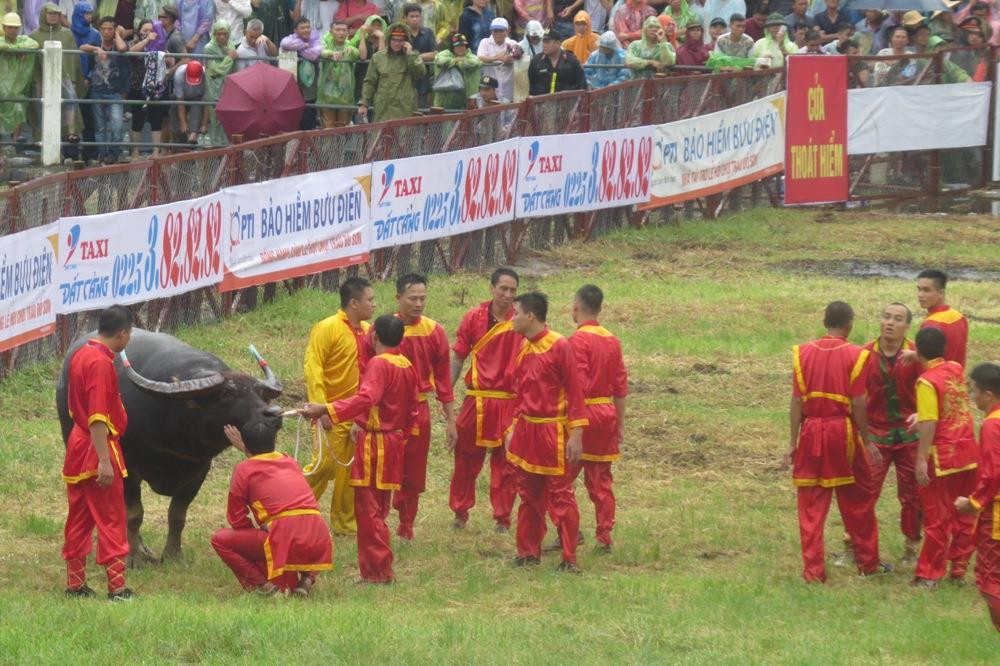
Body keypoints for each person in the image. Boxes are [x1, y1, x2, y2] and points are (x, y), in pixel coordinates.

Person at [301, 315, 420, 585]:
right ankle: (378, 568)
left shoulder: (379, 364)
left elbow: (367, 398)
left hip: (375, 446)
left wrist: (327, 408)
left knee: (368, 510)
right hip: (392, 443)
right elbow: (414, 408)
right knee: (378, 506)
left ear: (374, 335)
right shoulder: (406, 364)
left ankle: (378, 572)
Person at [784, 301, 889, 582]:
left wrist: (792, 442)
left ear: (824, 321)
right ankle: (868, 564)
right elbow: (858, 402)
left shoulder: (802, 353)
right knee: (858, 500)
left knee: (810, 507)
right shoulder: (857, 355)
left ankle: (813, 573)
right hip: (843, 434)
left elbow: (796, 402)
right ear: (849, 324)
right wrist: (867, 441)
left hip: (810, 433)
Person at [504, 292, 587, 572]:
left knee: (561, 494)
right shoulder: (524, 347)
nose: (512, 318)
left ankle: (568, 557)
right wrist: (513, 427)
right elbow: (520, 393)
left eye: (516, 313)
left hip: (553, 430)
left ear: (530, 316)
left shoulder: (559, 345)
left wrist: (576, 434)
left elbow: (576, 392)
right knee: (528, 493)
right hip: (527, 430)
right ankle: (528, 552)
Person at [546, 285, 627, 553]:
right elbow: (620, 386)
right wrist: (620, 425)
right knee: (601, 480)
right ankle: (604, 537)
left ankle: (567, 529)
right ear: (600, 308)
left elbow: (575, 386)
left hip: (582, 416)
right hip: (607, 415)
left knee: (557, 478)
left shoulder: (577, 341)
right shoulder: (612, 340)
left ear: (576, 307)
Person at [211, 419, 333, 596]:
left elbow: (236, 519)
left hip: (282, 536)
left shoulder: (243, 469)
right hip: (319, 534)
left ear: (245, 445)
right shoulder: (290, 461)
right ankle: (306, 580)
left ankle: (265, 587)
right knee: (311, 533)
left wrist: (257, 545)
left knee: (219, 539)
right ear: (274, 441)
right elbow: (262, 461)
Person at [61, 305, 134, 601]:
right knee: (112, 518)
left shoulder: (80, 355)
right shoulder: (102, 364)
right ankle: (117, 589)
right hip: (96, 449)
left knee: (79, 517)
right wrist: (104, 460)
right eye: (129, 335)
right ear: (122, 333)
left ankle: (75, 585)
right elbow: (97, 417)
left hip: (78, 446)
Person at [377, 274, 456, 541]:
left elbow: (444, 378)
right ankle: (379, 522)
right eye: (413, 298)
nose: (419, 304)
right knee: (383, 468)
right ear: (398, 298)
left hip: (419, 411)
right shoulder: (383, 329)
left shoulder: (435, 331)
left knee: (413, 470)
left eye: (423, 298)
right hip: (386, 411)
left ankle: (406, 525)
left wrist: (450, 419)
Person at [449, 268, 522, 532]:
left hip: (509, 400)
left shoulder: (521, 319)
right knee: (465, 457)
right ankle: (460, 512)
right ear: (491, 288)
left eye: (513, 291)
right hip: (476, 399)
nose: (507, 295)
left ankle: (502, 517)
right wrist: (446, 392)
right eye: (503, 288)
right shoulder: (474, 317)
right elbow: (458, 356)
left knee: (506, 461)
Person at [302, 277, 375, 536]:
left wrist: (362, 416)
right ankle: (292, 509)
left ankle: (345, 525)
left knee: (350, 474)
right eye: (370, 300)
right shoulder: (327, 328)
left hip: (355, 414)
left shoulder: (368, 331)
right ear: (353, 303)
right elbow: (314, 368)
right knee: (323, 465)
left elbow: (371, 376)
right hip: (329, 413)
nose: (374, 305)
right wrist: (321, 408)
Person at [912, 327, 979, 587]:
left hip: (942, 457)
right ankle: (959, 569)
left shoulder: (926, 381)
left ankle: (930, 573)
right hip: (968, 453)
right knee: (964, 514)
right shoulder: (955, 368)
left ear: (918, 350)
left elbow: (929, 422)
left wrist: (920, 459)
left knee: (937, 517)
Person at [862, 303, 923, 565]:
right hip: (876, 435)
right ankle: (855, 545)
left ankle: (911, 548)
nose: (890, 322)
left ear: (907, 326)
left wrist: (923, 414)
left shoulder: (918, 356)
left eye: (897, 319)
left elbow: (934, 387)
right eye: (886, 316)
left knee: (912, 494)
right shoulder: (864, 354)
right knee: (865, 490)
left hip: (910, 437)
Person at [955, 363, 1000, 631]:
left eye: (974, 390)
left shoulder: (992, 426)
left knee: (989, 580)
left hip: (995, 515)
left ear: (989, 394)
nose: (971, 397)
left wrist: (973, 503)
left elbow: (994, 472)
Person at [29, 4, 84, 154]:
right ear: (43, 15)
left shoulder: (67, 34)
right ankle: (42, 139)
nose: (53, 16)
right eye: (50, 13)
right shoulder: (34, 35)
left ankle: (71, 133)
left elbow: (73, 58)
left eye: (56, 14)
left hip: (64, 77)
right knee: (41, 108)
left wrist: (74, 78)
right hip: (40, 78)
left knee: (70, 101)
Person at [81, 16, 129, 163]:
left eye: (110, 29)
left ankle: (113, 155)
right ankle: (103, 155)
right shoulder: (96, 43)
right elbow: (82, 47)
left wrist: (117, 35)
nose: (106, 32)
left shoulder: (118, 43)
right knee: (100, 127)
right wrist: (97, 49)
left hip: (114, 92)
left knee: (117, 126)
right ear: (99, 30)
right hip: (97, 91)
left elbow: (122, 48)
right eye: (103, 29)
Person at [359, 22, 425, 121]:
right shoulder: (378, 57)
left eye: (400, 40)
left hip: (404, 107)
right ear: (389, 40)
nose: (396, 43)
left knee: (404, 135)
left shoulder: (413, 56)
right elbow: (370, 82)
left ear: (406, 42)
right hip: (383, 107)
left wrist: (410, 55)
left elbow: (420, 73)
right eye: (394, 40)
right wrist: (364, 104)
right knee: (381, 134)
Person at [126, 19, 167, 158]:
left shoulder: (159, 45)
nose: (148, 33)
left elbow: (171, 60)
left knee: (156, 119)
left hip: (154, 88)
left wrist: (162, 54)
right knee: (137, 120)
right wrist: (147, 41)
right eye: (145, 30)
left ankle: (156, 152)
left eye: (151, 31)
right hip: (138, 87)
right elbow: (131, 52)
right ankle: (135, 152)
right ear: (139, 31)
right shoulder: (134, 42)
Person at [915, 269, 968, 369]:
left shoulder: (930, 325)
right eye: (919, 289)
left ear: (941, 293)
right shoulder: (959, 317)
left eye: (926, 290)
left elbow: (928, 362)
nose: (920, 295)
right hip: (956, 379)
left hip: (935, 381)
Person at [0, 14, 39, 142]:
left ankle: (14, 141)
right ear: (4, 27)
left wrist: (15, 49)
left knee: (19, 109)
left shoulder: (23, 40)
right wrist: (17, 50)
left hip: (18, 89)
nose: (13, 30)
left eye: (16, 28)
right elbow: (3, 46)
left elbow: (34, 44)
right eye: (10, 27)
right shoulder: (1, 41)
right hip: (2, 88)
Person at [71, 3, 102, 164]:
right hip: (70, 80)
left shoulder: (95, 34)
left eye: (91, 13)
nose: (89, 16)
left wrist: (89, 77)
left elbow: (96, 61)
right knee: (70, 117)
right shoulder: (68, 33)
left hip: (88, 81)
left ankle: (90, 153)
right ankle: (70, 153)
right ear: (78, 15)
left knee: (87, 118)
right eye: (86, 14)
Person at [280, 17, 322, 129]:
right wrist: (303, 45)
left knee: (309, 117)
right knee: (295, 118)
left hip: (310, 89)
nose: (306, 30)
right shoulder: (291, 38)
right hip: (294, 87)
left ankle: (308, 144)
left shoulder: (315, 38)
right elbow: (284, 43)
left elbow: (313, 54)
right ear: (295, 30)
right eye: (302, 28)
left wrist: (298, 49)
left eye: (308, 27)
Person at [318, 20, 360, 126]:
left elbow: (357, 54)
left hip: (345, 96)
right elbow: (321, 52)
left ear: (347, 33)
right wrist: (331, 53)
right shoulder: (326, 43)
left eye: (344, 30)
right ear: (331, 32)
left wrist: (352, 50)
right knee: (329, 128)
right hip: (327, 96)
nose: (341, 33)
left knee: (342, 128)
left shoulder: (349, 45)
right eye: (337, 30)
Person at [203, 19, 235, 145]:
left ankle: (226, 145)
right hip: (214, 87)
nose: (222, 37)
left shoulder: (231, 45)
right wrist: (229, 58)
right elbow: (215, 71)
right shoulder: (209, 48)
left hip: (227, 87)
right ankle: (215, 145)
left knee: (227, 118)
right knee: (215, 118)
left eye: (225, 34)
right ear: (214, 34)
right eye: (219, 34)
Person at [528, 28, 587, 94]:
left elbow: (582, 86)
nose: (544, 45)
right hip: (542, 102)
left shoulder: (571, 60)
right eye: (543, 42)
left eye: (547, 42)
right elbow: (530, 84)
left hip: (567, 102)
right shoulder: (536, 61)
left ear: (558, 43)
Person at [477, 17, 521, 104]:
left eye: (501, 30)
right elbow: (480, 57)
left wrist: (510, 57)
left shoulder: (512, 43)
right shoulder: (485, 42)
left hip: (508, 89)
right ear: (491, 31)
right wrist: (497, 57)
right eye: (495, 31)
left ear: (507, 31)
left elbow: (519, 55)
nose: (498, 33)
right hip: (489, 90)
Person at [433, 32, 481, 110]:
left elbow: (473, 63)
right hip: (443, 98)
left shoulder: (472, 56)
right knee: (443, 121)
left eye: (463, 45)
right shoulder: (444, 54)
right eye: (457, 45)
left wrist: (458, 62)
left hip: (465, 98)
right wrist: (455, 60)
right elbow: (440, 61)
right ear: (452, 47)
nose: (461, 48)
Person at [402, 3, 437, 108]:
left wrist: (414, 56)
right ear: (405, 18)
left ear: (421, 17)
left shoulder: (428, 32)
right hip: (405, 76)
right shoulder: (401, 34)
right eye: (412, 16)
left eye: (417, 16)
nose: (415, 19)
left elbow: (434, 54)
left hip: (423, 77)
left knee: (422, 109)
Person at [172, 58, 206, 144]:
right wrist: (183, 123)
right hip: (182, 97)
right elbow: (180, 101)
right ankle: (179, 145)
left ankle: (193, 136)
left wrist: (204, 123)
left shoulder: (206, 76)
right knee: (177, 123)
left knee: (197, 108)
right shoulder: (179, 75)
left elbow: (207, 103)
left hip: (197, 97)